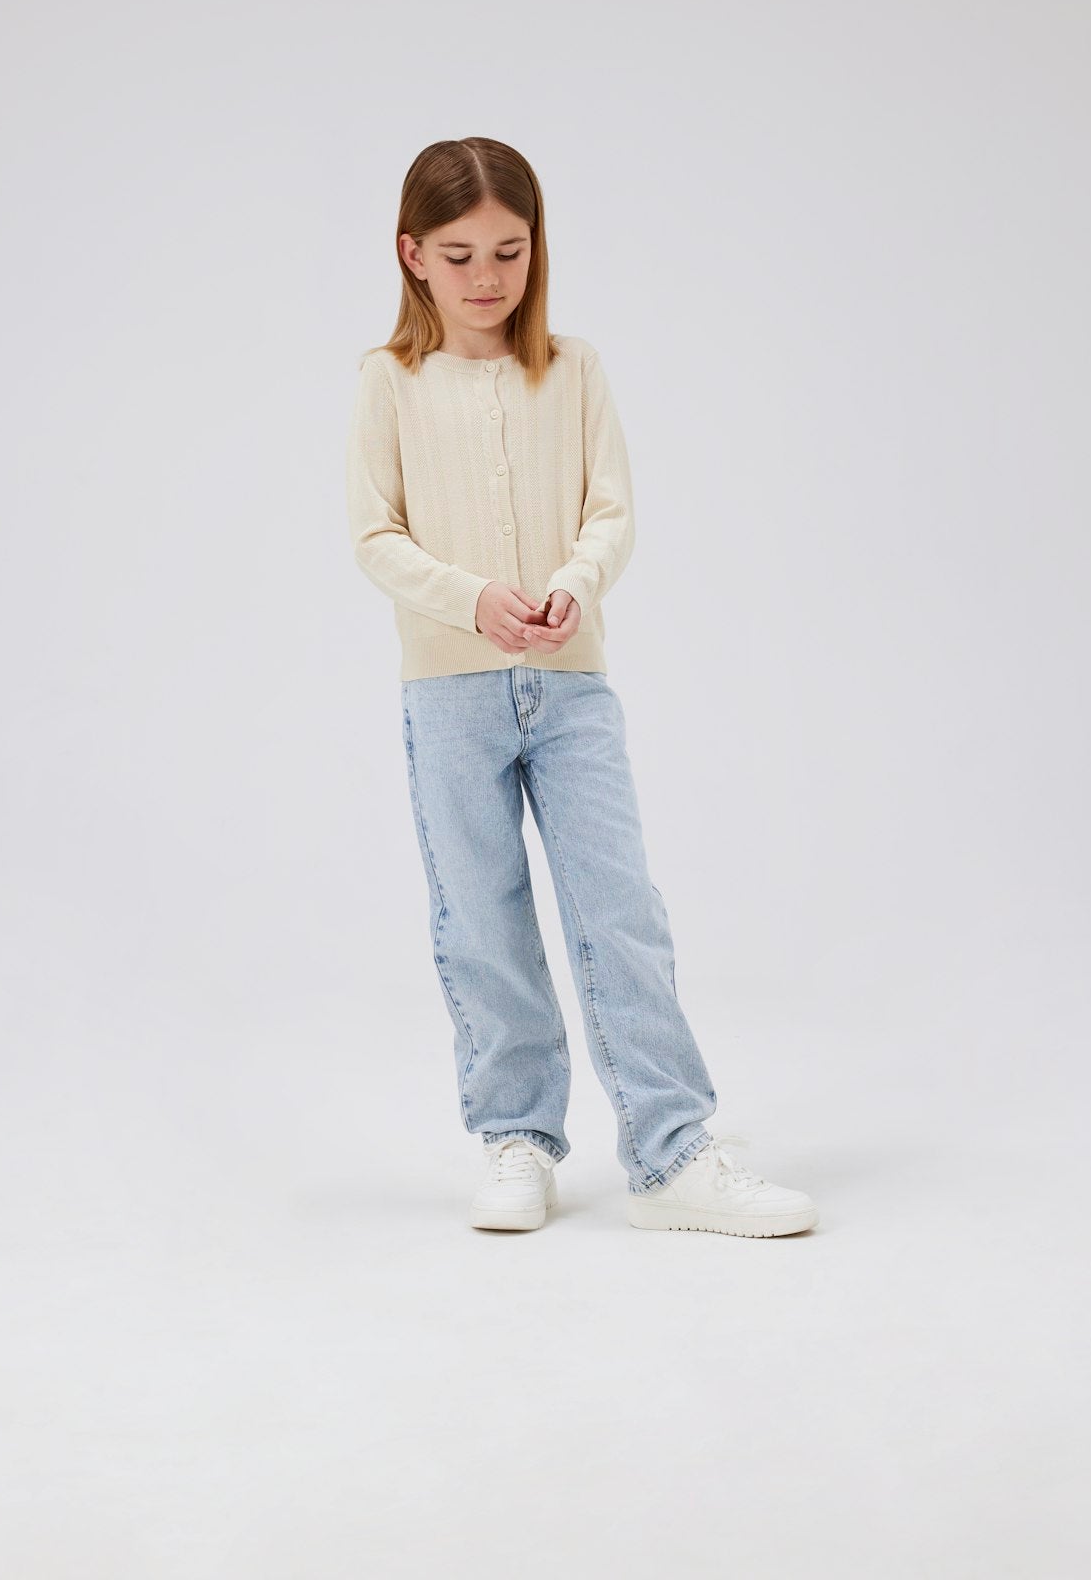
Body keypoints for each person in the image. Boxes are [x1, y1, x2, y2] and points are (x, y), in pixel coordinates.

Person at [345, 135, 817, 1239]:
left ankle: (673, 1151)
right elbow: (374, 534)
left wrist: (570, 585)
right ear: (412, 255)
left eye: (509, 252)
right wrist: (473, 598)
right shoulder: (389, 381)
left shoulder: (575, 370)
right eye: (459, 255)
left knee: (621, 912)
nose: (486, 278)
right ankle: (515, 1138)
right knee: (481, 920)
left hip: (571, 687)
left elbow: (611, 511)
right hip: (450, 695)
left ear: (536, 246)